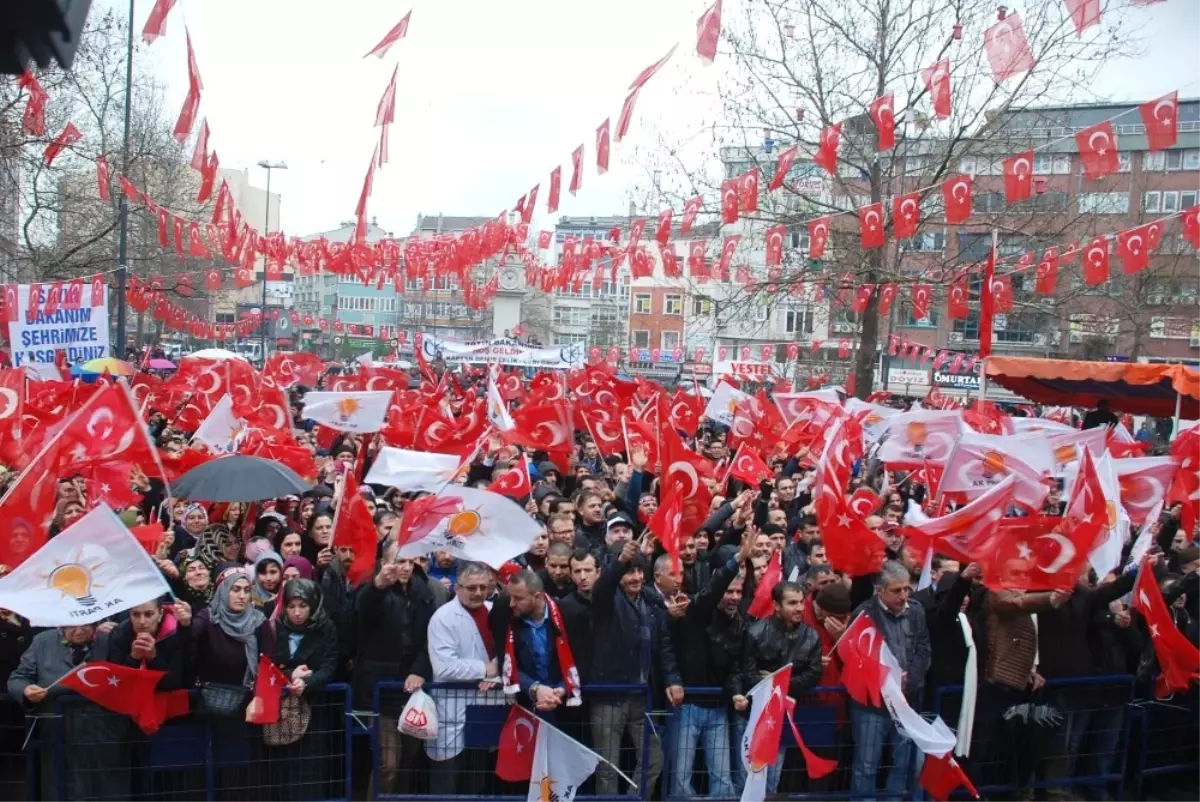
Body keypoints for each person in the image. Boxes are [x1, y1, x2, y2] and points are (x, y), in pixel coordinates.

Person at [425, 562, 501, 793]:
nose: (478, 592)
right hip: (452, 706)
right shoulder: (443, 617)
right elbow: (444, 667)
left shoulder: (494, 611)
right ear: (457, 589)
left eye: (483, 587)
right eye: (471, 588)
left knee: (477, 778)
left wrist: (496, 667)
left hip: (484, 706)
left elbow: (507, 650)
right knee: (448, 778)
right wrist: (485, 669)